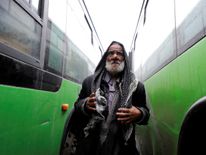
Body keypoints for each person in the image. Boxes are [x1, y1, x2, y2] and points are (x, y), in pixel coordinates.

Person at [62, 41, 149, 155]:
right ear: (105, 58)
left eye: (119, 53)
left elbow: (146, 114)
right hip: (91, 146)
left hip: (122, 147)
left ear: (124, 59)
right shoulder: (89, 82)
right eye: (111, 53)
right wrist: (85, 104)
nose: (115, 56)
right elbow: (77, 107)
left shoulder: (136, 87)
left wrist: (139, 113)